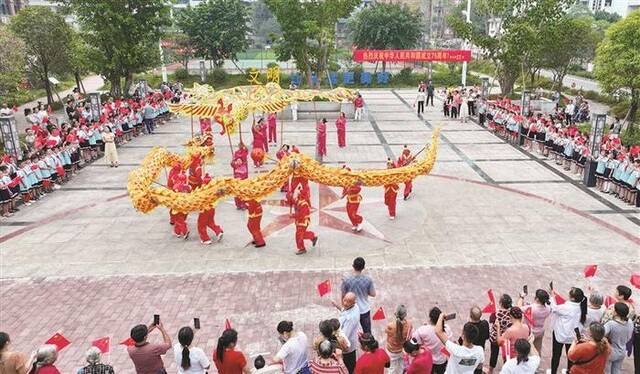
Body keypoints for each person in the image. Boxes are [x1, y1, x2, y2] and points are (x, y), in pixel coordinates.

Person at [549, 287, 588, 374]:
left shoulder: (566, 307)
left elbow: (554, 308)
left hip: (560, 335)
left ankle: (553, 372)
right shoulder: (582, 307)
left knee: (556, 355)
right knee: (571, 356)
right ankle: (569, 371)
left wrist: (552, 297)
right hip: (572, 337)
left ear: (573, 298)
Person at [341, 257, 376, 334]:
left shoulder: (346, 280)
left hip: (350, 308)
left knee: (349, 332)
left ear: (353, 266)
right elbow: (373, 294)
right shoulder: (368, 280)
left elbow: (343, 295)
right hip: (364, 310)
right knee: (367, 332)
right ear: (363, 267)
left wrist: (343, 307)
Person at [413, 307, 450, 374]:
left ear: (430, 318)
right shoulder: (447, 329)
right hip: (441, 360)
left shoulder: (423, 330)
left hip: (428, 359)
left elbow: (415, 340)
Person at [331, 292, 360, 374]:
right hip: (351, 342)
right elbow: (345, 310)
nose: (345, 303)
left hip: (347, 347)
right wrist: (337, 306)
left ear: (354, 302)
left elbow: (343, 336)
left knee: (348, 368)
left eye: (349, 301)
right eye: (344, 300)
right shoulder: (354, 307)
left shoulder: (350, 319)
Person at [518, 289, 551, 356]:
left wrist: (521, 297)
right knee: (538, 349)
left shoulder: (531, 308)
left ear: (537, 298)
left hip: (530, 332)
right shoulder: (548, 308)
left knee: (526, 350)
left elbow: (519, 308)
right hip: (540, 331)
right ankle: (537, 362)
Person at [603, 302, 634, 374]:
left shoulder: (611, 324)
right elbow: (629, 337)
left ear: (616, 312)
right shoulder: (629, 322)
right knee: (617, 371)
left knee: (606, 371)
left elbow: (601, 334)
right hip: (622, 350)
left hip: (610, 350)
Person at [488, 294, 513, 374]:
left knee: (494, 353)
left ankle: (491, 370)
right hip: (505, 337)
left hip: (495, 337)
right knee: (506, 354)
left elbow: (491, 321)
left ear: (501, 303)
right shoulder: (511, 313)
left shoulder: (496, 313)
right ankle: (506, 369)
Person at [385, 305, 412, 374]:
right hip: (403, 350)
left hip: (392, 350)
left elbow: (386, 332)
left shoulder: (390, 325)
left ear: (395, 314)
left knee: (392, 368)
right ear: (405, 314)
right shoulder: (409, 324)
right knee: (401, 366)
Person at [293, 186, 318, 255]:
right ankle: (312, 237)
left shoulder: (304, 204)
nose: (296, 195)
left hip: (303, 222)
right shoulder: (299, 201)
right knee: (301, 235)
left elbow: (302, 215)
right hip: (299, 221)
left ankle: (302, 248)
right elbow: (292, 200)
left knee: (299, 235)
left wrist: (293, 215)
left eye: (298, 194)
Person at [465, 306, 489, 374]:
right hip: (480, 350)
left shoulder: (468, 327)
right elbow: (487, 336)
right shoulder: (485, 324)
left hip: (470, 352)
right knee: (478, 367)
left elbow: (462, 341)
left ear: (470, 316)